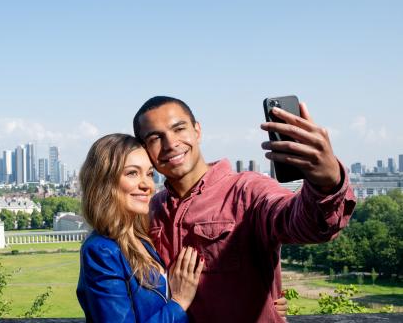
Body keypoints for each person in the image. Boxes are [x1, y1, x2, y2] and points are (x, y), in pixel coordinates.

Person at [133, 96, 356, 322]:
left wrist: (327, 183)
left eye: (179, 129)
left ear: (197, 131)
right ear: (144, 149)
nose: (171, 143)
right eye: (155, 138)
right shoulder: (150, 210)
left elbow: (304, 224)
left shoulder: (247, 191)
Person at [76, 133, 204, 322]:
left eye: (150, 174)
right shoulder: (101, 250)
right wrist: (179, 302)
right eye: (132, 173)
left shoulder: (143, 240)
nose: (147, 185)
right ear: (104, 181)